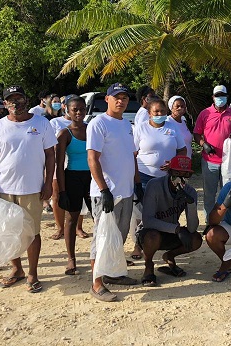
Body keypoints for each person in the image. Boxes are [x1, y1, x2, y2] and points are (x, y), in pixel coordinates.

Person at [0, 85, 57, 293]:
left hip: (32, 189)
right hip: (4, 189)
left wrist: (48, 183)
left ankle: (32, 273)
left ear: (27, 99)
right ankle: (17, 270)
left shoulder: (41, 123)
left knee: (33, 232)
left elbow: (50, 155)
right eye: (11, 100)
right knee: (9, 232)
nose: (16, 103)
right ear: (5, 104)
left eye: (20, 98)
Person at [87, 83, 140, 302]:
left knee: (117, 236)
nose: (121, 101)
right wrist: (103, 189)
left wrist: (136, 184)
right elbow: (93, 158)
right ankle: (97, 283)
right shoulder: (98, 123)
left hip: (126, 191)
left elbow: (131, 157)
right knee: (102, 236)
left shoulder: (127, 125)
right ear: (107, 99)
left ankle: (113, 273)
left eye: (124, 98)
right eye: (116, 97)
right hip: (106, 192)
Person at [137, 155, 202, 286]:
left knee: (196, 239)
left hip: (172, 233)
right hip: (150, 233)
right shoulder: (154, 185)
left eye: (185, 174)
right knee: (152, 236)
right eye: (176, 173)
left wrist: (190, 203)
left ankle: (170, 256)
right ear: (169, 171)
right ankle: (148, 265)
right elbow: (148, 220)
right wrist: (177, 229)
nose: (180, 177)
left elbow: (192, 228)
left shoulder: (190, 191)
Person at [193, 85, 231, 221]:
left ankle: (226, 219)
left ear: (227, 97)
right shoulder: (205, 113)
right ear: (213, 97)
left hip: (229, 161)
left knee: (228, 192)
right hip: (210, 160)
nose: (220, 98)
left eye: (222, 95)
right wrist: (204, 144)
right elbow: (197, 134)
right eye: (217, 95)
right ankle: (210, 220)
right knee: (209, 193)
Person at [55, 95, 92, 275]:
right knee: (72, 218)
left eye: (82, 109)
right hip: (73, 178)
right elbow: (59, 165)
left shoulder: (92, 129)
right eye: (74, 109)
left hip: (93, 177)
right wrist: (62, 191)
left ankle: (103, 255)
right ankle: (71, 258)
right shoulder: (64, 134)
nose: (79, 112)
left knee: (101, 218)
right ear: (67, 111)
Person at [134, 98, 187, 191]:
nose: (160, 114)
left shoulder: (173, 127)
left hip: (167, 177)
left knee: (165, 204)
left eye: (162, 111)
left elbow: (182, 150)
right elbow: (132, 153)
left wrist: (173, 163)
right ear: (149, 113)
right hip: (144, 176)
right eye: (156, 111)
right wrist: (136, 177)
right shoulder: (141, 128)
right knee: (145, 204)